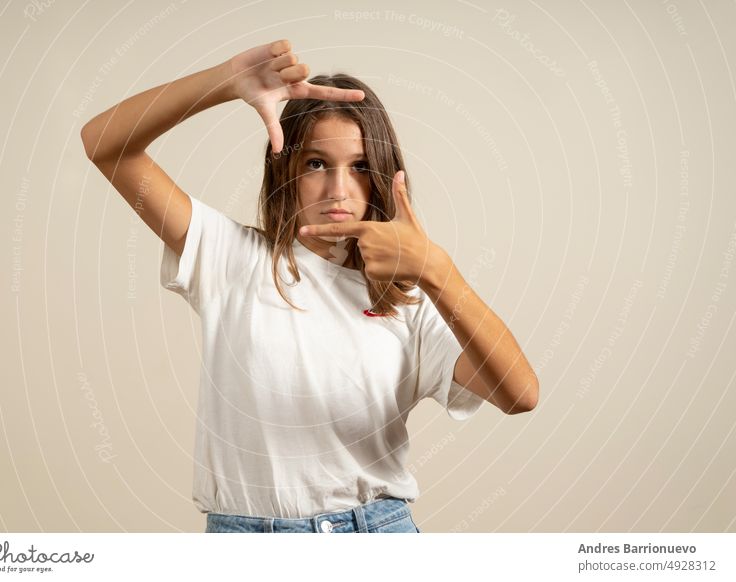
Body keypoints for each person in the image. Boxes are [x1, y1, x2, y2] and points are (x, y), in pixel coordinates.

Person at [81, 39, 539, 533]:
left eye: (360, 167)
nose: (339, 190)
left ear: (384, 178)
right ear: (287, 171)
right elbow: (105, 144)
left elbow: (520, 394)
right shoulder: (230, 257)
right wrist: (224, 82)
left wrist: (438, 272)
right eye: (317, 164)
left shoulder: (410, 300)